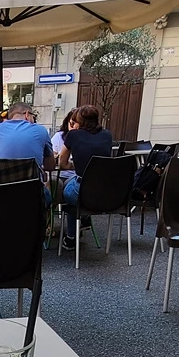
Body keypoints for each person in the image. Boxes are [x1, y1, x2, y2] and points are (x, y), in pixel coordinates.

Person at [59, 105, 113, 251]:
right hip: (106, 193)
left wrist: (73, 165)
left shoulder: (73, 135)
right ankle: (84, 217)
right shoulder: (107, 135)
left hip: (81, 192)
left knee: (67, 192)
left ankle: (71, 237)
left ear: (79, 121)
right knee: (73, 185)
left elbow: (62, 163)